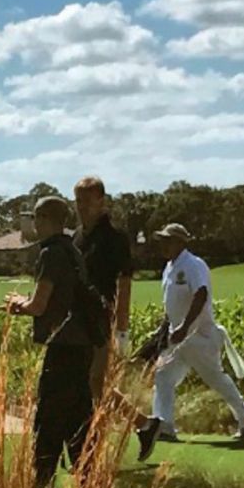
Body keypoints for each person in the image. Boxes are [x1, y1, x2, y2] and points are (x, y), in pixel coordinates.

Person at [5, 197, 94, 488]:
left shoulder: (51, 253)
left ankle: (42, 483)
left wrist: (18, 304)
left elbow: (40, 304)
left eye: (37, 218)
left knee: (50, 418)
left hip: (62, 345)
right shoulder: (73, 251)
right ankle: (88, 482)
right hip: (83, 346)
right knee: (79, 416)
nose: (34, 224)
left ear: (45, 219)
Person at [71, 176, 162, 461]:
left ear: (101, 201)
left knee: (95, 383)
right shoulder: (77, 238)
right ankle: (143, 425)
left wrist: (121, 328)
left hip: (104, 320)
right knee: (88, 384)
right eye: (78, 201)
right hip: (78, 322)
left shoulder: (114, 238)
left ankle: (102, 441)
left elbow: (124, 282)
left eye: (87, 201)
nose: (82, 207)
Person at [149, 224, 244, 442]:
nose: (163, 245)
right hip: (177, 338)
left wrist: (184, 327)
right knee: (163, 377)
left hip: (199, 336)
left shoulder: (193, 265)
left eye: (167, 240)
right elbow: (171, 304)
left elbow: (201, 294)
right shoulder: (169, 268)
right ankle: (164, 425)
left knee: (215, 379)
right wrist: (165, 329)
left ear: (180, 242)